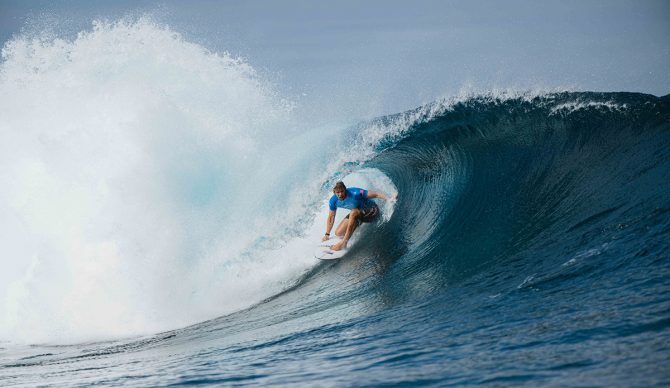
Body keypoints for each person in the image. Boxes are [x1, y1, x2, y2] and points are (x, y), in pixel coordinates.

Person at [323, 181, 390, 251]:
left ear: (345, 189)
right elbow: (331, 217)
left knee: (353, 212)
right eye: (338, 192)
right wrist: (327, 234)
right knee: (338, 233)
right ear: (334, 192)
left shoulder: (356, 193)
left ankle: (344, 243)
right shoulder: (333, 201)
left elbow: (376, 194)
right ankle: (354, 226)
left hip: (372, 211)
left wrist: (389, 199)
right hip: (358, 214)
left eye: (342, 191)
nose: (340, 194)